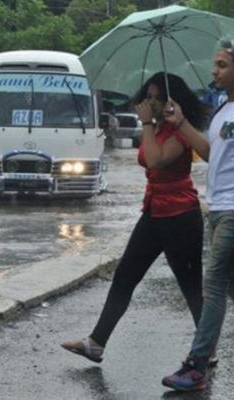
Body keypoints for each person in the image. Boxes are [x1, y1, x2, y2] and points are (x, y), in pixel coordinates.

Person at [61, 72, 211, 368]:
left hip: (181, 216)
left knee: (191, 286)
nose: (151, 103)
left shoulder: (180, 132)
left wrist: (146, 124)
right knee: (125, 276)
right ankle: (96, 342)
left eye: (158, 97)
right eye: (149, 96)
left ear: (172, 100)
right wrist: (150, 126)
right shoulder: (158, 129)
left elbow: (155, 160)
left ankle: (208, 348)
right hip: (154, 211)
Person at [162, 39, 234, 392]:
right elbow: (209, 152)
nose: (214, 71)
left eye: (221, 64)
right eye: (215, 64)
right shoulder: (222, 110)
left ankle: (197, 365)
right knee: (229, 287)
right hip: (218, 208)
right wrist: (180, 123)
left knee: (215, 282)